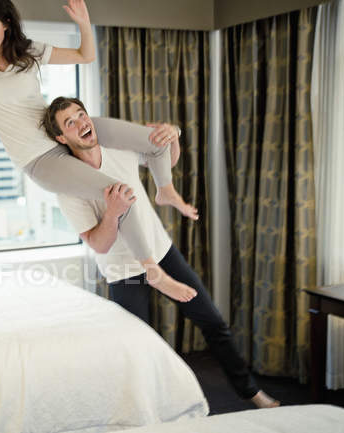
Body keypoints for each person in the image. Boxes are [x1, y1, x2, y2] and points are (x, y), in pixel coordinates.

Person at [0, 0, 196, 300]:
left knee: (155, 138)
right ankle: (153, 271)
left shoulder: (28, 51)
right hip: (42, 158)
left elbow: (86, 54)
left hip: (61, 130)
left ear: (6, 23)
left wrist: (83, 22)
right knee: (120, 193)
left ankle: (165, 189)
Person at [41, 96, 281, 408]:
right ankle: (143, 412)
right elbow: (99, 244)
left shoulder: (117, 146)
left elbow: (163, 160)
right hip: (124, 271)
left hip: (161, 251)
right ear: (62, 138)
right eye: (69, 123)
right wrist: (112, 213)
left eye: (81, 114)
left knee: (212, 321)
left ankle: (252, 393)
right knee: (136, 347)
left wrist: (172, 136)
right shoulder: (69, 186)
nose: (81, 123)